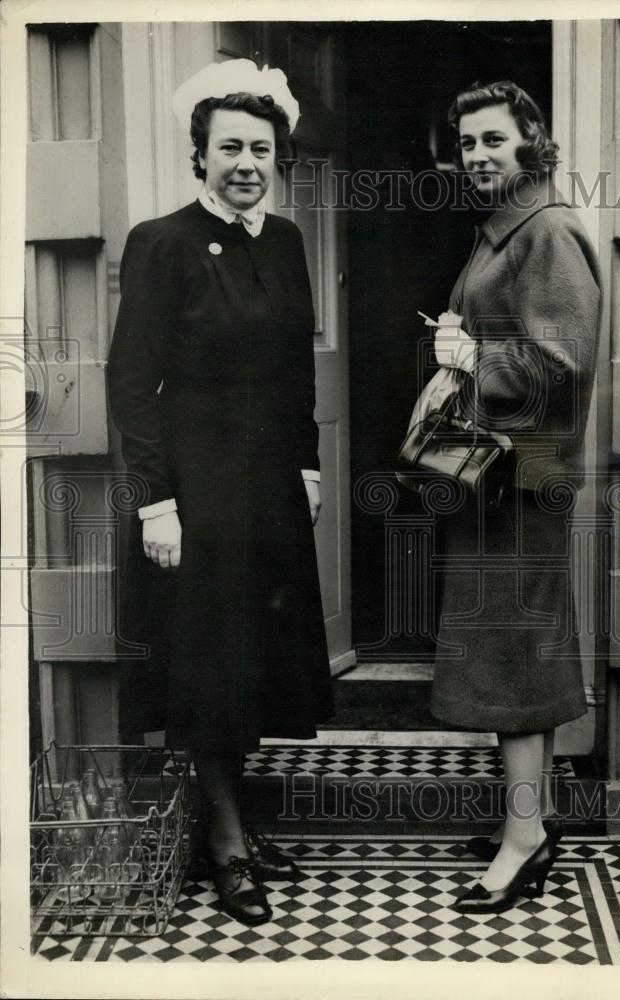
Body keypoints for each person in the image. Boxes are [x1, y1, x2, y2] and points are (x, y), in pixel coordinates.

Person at [107, 60, 334, 926]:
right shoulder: (161, 242)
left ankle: (226, 815)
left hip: (268, 484)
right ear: (197, 156)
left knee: (252, 657)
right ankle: (228, 842)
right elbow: (130, 383)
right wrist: (154, 504)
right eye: (229, 147)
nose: (246, 162)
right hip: (194, 487)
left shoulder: (283, 240)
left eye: (261, 148)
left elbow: (295, 370)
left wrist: (307, 468)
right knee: (205, 664)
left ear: (278, 157)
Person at [427, 80, 602, 913]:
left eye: (492, 139)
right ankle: (524, 816)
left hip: (524, 483)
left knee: (517, 660)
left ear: (532, 138)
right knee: (506, 655)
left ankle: (526, 839)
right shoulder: (509, 234)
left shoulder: (550, 234)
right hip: (496, 481)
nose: (477, 156)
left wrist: (469, 357)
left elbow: (561, 372)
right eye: (466, 145)